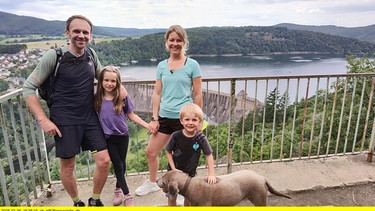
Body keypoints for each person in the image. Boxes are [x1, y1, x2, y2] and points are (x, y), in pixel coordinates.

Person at [23, 15, 113, 206]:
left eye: (85, 32)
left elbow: (105, 77)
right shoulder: (55, 56)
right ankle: (76, 202)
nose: (81, 35)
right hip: (64, 120)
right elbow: (28, 88)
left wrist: (121, 91)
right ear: (67, 33)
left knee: (104, 161)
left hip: (89, 117)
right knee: (68, 166)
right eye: (76, 31)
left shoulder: (90, 54)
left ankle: (95, 199)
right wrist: (43, 120)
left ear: (90, 35)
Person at [135, 25, 203, 196]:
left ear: (184, 42)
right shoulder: (162, 66)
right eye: (172, 40)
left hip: (184, 119)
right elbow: (157, 93)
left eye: (178, 40)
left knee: (182, 158)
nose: (175, 43)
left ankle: (182, 191)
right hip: (164, 117)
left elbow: (198, 94)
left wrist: (198, 120)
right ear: (167, 42)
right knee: (151, 152)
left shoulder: (192, 65)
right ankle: (152, 182)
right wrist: (154, 118)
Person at [93, 66, 155, 206]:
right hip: (108, 138)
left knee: (122, 162)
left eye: (113, 81)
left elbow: (131, 114)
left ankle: (117, 189)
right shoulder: (97, 98)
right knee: (118, 165)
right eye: (106, 80)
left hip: (123, 136)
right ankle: (127, 196)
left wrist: (146, 125)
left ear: (118, 82)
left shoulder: (121, 97)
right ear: (101, 81)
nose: (109, 83)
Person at [165, 103, 216, 206]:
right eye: (187, 119)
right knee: (172, 196)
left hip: (189, 175)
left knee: (188, 198)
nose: (190, 123)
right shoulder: (176, 136)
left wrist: (211, 174)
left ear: (199, 122)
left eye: (194, 120)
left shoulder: (200, 138)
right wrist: (173, 168)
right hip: (174, 173)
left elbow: (209, 155)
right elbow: (168, 151)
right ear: (181, 120)